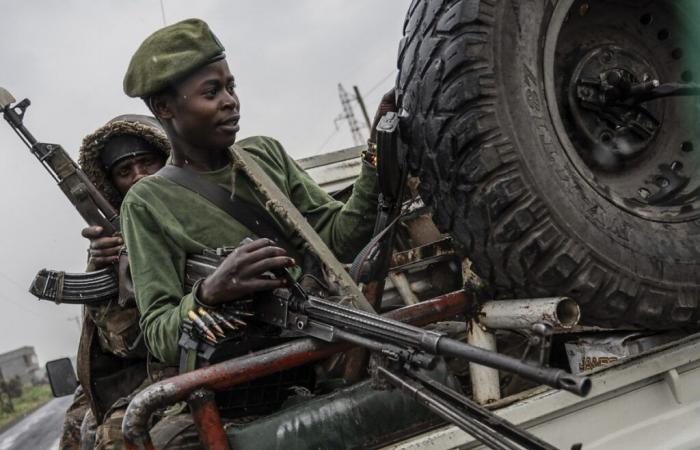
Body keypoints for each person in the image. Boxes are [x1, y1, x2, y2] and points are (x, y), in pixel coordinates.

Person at [120, 18, 394, 367]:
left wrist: (376, 151)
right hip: (255, 376)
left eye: (230, 87)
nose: (230, 101)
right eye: (211, 92)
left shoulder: (265, 156)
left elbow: (340, 240)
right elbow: (160, 335)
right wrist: (208, 294)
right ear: (164, 108)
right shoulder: (147, 202)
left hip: (330, 346)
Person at [58, 114, 169, 450]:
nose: (139, 177)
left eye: (147, 162)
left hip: (191, 359)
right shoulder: (113, 246)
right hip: (142, 367)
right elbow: (122, 343)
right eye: (125, 171)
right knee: (81, 424)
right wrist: (107, 270)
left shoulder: (203, 204)